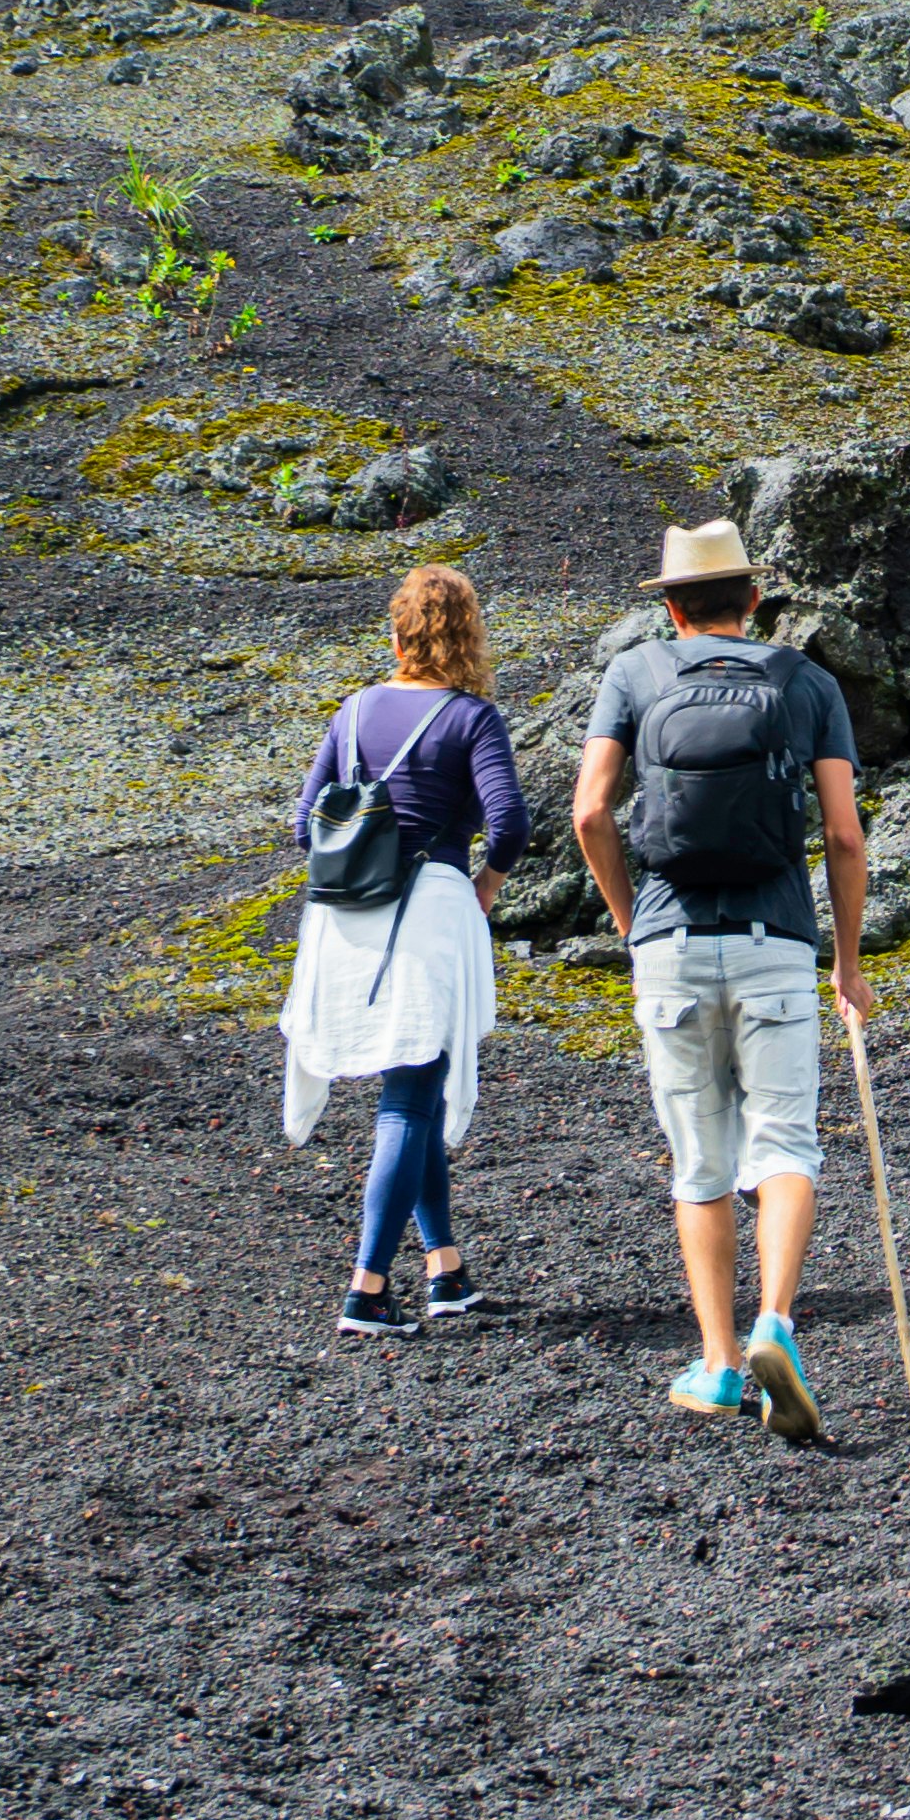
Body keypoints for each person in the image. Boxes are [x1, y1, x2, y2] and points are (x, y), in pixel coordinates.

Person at [569, 519, 874, 1440]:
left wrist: (633, 927)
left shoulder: (633, 676)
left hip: (668, 944)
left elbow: (590, 814)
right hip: (775, 940)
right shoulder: (804, 682)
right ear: (752, 599)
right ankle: (776, 1321)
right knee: (784, 1146)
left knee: (699, 1165)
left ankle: (719, 1367)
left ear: (668, 606)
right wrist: (849, 963)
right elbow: (845, 835)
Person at [277, 565, 523, 1338]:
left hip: (345, 921)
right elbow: (510, 825)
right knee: (411, 1095)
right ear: (470, 638)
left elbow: (303, 823)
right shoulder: (472, 718)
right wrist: (481, 885)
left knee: (410, 1084)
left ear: (398, 634)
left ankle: (445, 1268)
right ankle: (367, 1290)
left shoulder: (353, 711)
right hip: (427, 916)